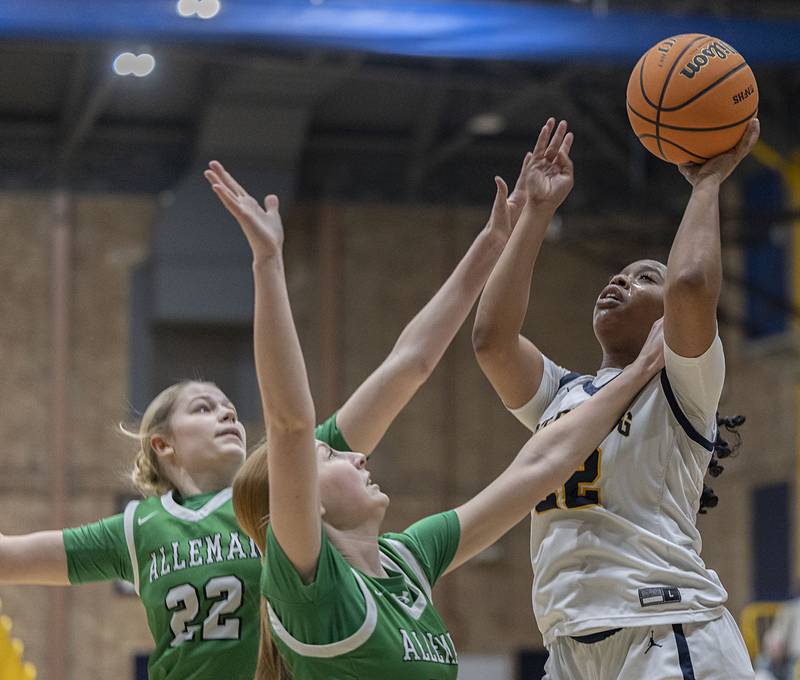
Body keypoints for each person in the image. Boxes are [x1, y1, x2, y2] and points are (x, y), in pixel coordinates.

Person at [0, 150, 533, 679]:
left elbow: (408, 365)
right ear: (162, 443)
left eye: (231, 408)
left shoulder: (295, 477)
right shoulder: (137, 529)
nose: (227, 415)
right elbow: (10, 557)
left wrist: (490, 247)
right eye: (203, 408)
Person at [209, 156, 667, 680]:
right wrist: (268, 263)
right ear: (303, 501)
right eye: (330, 455)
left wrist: (496, 240)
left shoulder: (407, 560)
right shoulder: (314, 591)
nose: (357, 454)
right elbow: (290, 423)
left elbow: (537, 468)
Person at [471, 116, 760, 679]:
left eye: (645, 278)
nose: (622, 280)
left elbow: (691, 285)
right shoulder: (562, 395)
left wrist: (707, 184)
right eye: (620, 275)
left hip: (668, 628)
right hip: (569, 644)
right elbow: (491, 342)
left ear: (668, 317)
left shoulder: (680, 386)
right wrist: (536, 212)